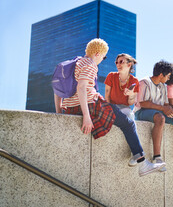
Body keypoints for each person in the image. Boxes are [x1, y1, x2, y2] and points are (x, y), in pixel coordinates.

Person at [55, 38, 165, 177]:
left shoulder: (75, 63)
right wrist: (87, 117)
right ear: (97, 53)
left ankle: (140, 161)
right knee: (128, 124)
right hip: (92, 105)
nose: (102, 59)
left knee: (125, 118)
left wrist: (59, 112)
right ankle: (143, 164)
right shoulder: (90, 64)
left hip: (71, 107)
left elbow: (57, 88)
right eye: (103, 56)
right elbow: (82, 87)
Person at [104, 53, 140, 166]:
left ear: (129, 65)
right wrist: (110, 109)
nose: (118, 64)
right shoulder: (111, 76)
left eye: (121, 62)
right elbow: (107, 96)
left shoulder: (134, 81)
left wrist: (131, 94)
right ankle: (137, 152)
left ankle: (135, 154)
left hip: (125, 107)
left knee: (130, 116)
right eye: (117, 62)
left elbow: (130, 103)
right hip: (111, 106)